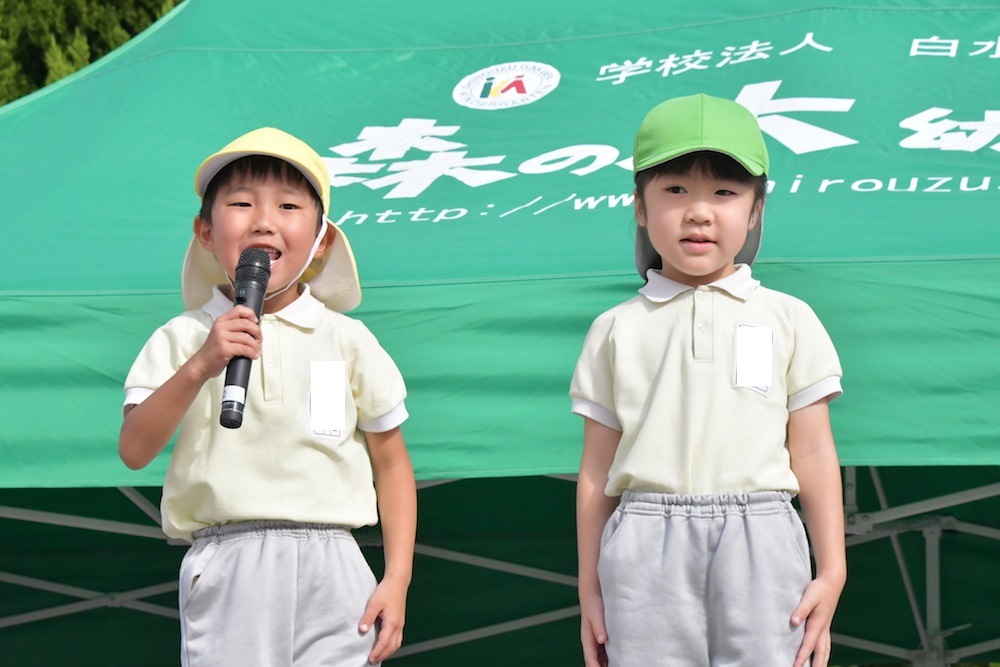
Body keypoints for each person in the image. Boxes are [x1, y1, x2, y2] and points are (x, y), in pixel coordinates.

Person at [119, 127, 416, 666]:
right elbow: (135, 449)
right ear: (206, 232)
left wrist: (397, 578)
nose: (263, 220)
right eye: (239, 203)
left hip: (338, 564)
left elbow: (392, 464)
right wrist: (202, 365)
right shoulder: (183, 337)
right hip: (230, 558)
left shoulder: (347, 338)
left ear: (321, 237)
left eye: (287, 205)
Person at [571, 94, 846, 667]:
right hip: (645, 537)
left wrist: (834, 569)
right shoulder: (615, 328)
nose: (699, 212)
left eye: (725, 192)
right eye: (675, 190)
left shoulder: (788, 316)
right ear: (640, 206)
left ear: (755, 209)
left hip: (763, 533)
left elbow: (814, 451)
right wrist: (588, 586)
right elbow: (597, 469)